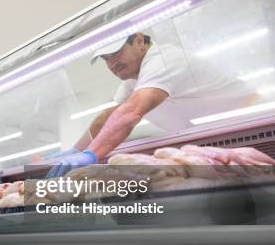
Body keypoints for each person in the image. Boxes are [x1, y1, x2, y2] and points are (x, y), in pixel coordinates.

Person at [47, 32, 258, 177]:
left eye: (116, 54)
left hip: (255, 129)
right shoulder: (134, 78)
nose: (112, 64)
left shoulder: (164, 59)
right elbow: (108, 116)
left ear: (139, 40)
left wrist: (90, 155)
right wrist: (75, 150)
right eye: (106, 59)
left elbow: (131, 112)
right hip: (216, 147)